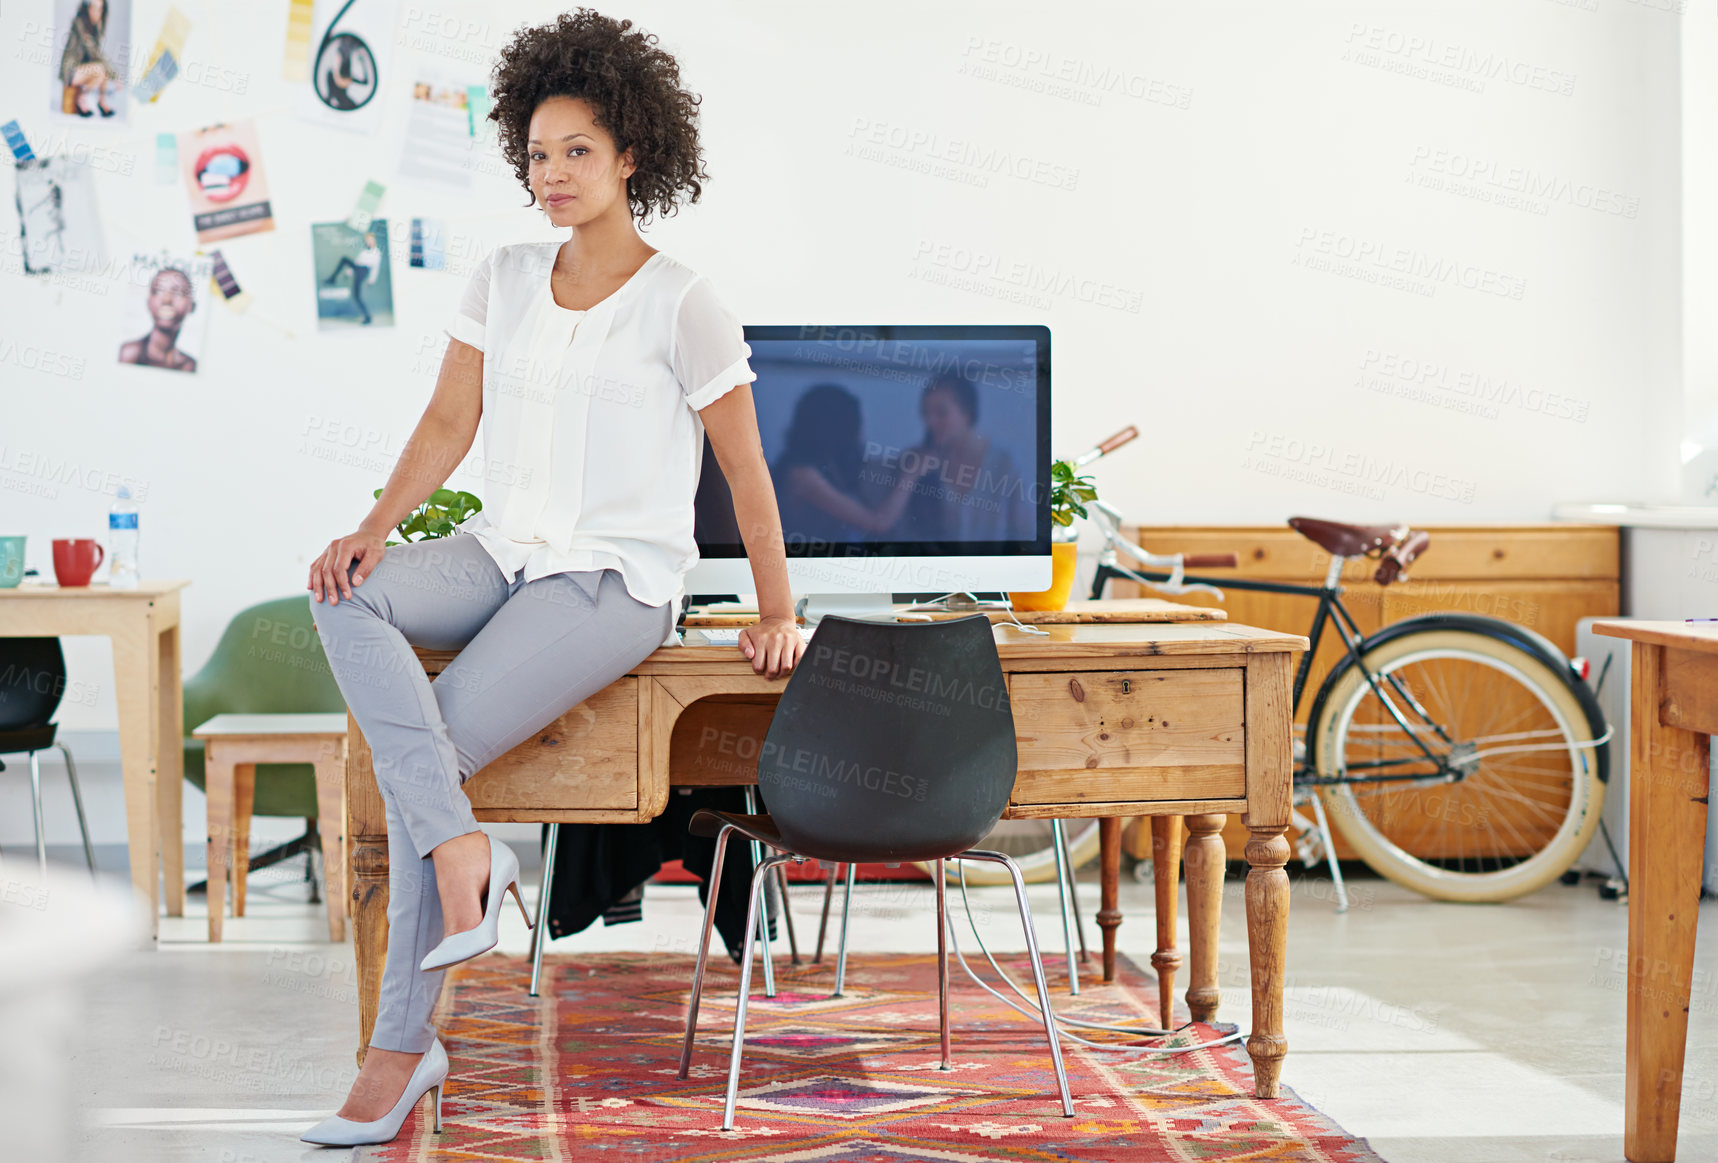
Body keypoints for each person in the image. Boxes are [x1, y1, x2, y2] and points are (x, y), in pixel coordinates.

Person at [299, 9, 805, 1147]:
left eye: (577, 148)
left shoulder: (683, 300)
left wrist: (778, 611)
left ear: (632, 152)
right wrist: (374, 526)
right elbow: (446, 420)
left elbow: (745, 469)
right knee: (345, 594)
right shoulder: (506, 274)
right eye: (536, 153)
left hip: (610, 581)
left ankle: (395, 1053)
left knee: (433, 754)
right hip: (499, 547)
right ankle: (464, 847)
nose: (553, 173)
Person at [770, 382, 934, 545]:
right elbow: (878, 523)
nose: (860, 434)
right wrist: (910, 474)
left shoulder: (830, 466)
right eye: (855, 425)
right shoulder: (803, 476)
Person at [902, 371, 1031, 541]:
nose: (930, 422)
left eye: (941, 412)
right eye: (926, 413)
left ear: (967, 413)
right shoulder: (920, 464)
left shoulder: (1007, 464)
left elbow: (1026, 535)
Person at [119, 268, 198, 372]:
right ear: (148, 302)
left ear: (191, 306)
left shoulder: (189, 366)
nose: (167, 299)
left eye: (178, 293)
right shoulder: (128, 354)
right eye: (158, 291)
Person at [58, 0, 117, 118]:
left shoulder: (93, 26)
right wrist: (115, 76)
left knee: (103, 70)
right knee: (101, 67)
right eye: (93, 8)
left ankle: (101, 102)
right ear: (87, 8)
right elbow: (94, 52)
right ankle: (81, 97)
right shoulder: (80, 23)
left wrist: (99, 29)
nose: (96, 12)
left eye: (100, 9)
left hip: (81, 69)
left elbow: (95, 53)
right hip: (70, 71)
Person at [322, 231, 382, 324]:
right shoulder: (364, 251)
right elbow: (357, 263)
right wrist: (348, 273)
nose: (368, 241)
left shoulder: (377, 253)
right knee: (344, 260)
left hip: (363, 271)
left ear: (374, 240)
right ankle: (332, 279)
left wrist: (371, 280)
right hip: (358, 269)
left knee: (356, 295)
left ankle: (368, 317)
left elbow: (375, 268)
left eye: (370, 240)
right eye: (367, 240)